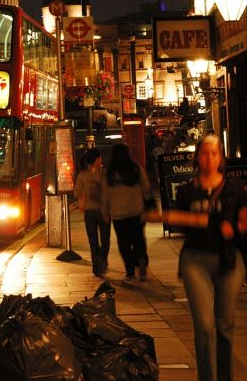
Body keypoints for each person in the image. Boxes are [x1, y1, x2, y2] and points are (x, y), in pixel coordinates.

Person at [148, 134, 247, 381]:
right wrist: (191, 220)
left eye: (214, 153)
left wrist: (236, 227)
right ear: (197, 158)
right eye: (205, 153)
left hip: (228, 259)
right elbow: (180, 222)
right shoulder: (186, 192)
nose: (209, 159)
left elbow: (244, 221)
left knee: (224, 324)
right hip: (196, 259)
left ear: (221, 158)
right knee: (204, 325)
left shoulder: (235, 188)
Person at [101, 143, 152, 280]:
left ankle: (130, 271)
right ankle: (141, 260)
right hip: (136, 211)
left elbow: (105, 197)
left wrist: (105, 214)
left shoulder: (109, 174)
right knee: (138, 239)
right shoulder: (136, 169)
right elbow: (146, 188)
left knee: (124, 243)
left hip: (118, 215)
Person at [74, 147, 111, 277]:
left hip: (89, 212)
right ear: (96, 159)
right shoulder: (105, 173)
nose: (101, 159)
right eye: (99, 157)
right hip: (103, 211)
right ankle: (101, 261)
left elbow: (77, 192)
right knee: (105, 240)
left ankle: (97, 265)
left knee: (93, 240)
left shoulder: (82, 175)